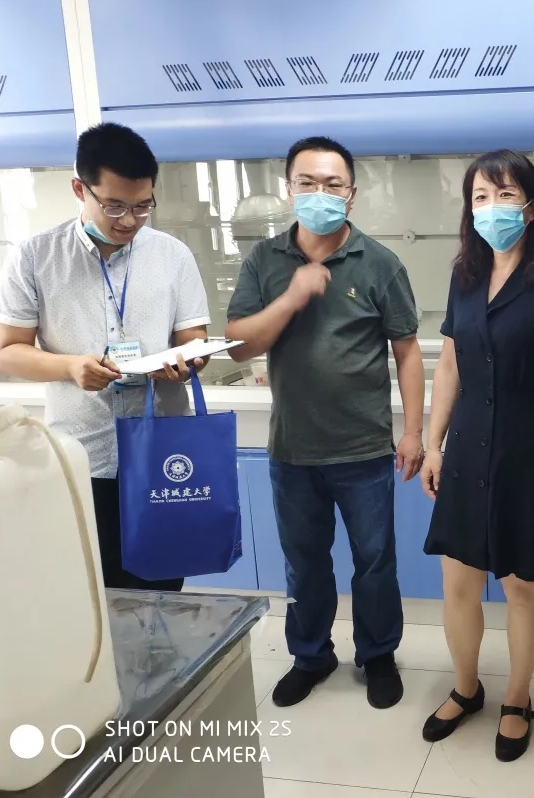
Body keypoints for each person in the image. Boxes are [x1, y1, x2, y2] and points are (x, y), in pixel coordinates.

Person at [225, 136, 425, 711]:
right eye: (307, 183)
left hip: (364, 448)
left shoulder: (380, 263)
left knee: (375, 562)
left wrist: (413, 432)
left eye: (333, 184)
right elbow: (238, 345)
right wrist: (291, 298)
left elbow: (407, 350)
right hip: (293, 449)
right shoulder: (264, 260)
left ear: (351, 194)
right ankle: (310, 656)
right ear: (289, 189)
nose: (320, 193)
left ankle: (378, 655)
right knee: (304, 564)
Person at [419, 150, 534, 762]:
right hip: (466, 446)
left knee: (522, 584)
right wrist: (433, 443)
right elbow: (449, 366)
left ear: (532, 206)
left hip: (527, 448)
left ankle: (518, 699)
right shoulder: (464, 278)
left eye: (506, 195)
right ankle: (466, 688)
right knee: (458, 581)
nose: (492, 207)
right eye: (481, 197)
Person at [0, 122, 211, 593]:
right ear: (80, 189)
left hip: (161, 455)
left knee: (161, 590)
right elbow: (8, 351)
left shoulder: (173, 256)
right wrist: (70, 367)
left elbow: (194, 337)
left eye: (142, 206)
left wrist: (185, 362)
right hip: (81, 457)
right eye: (114, 206)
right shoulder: (35, 257)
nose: (129, 220)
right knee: (92, 594)